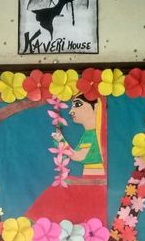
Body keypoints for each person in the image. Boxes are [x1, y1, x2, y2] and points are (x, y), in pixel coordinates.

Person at [26, 92, 108, 224]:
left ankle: (34, 223)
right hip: (89, 180)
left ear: (96, 108)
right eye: (72, 106)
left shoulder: (92, 136)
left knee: (55, 192)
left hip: (93, 183)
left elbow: (80, 156)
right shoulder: (88, 134)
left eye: (78, 105)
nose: (71, 111)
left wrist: (62, 142)